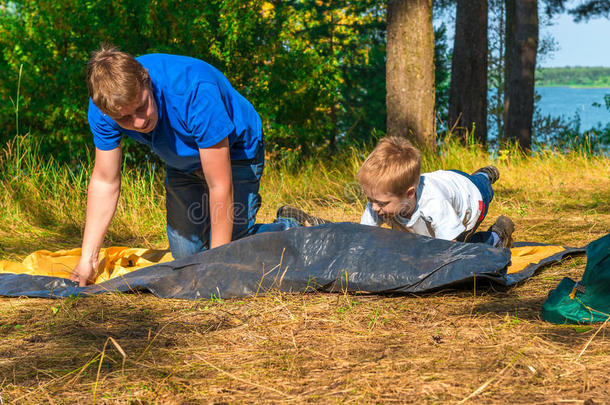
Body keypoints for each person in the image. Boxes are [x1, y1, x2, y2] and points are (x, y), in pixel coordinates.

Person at [71, 45, 296, 286]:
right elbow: (106, 181)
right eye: (124, 118)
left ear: (147, 81)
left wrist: (216, 265)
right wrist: (88, 259)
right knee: (187, 256)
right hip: (181, 161)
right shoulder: (103, 109)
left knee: (231, 244)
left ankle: (291, 227)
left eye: (141, 106)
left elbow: (219, 184)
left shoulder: (194, 90)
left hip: (236, 151)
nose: (138, 122)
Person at [279, 136, 514, 248]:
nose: (374, 208)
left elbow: (449, 250)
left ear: (409, 193)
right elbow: (365, 235)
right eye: (370, 200)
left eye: (380, 203)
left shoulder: (433, 204)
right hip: (441, 178)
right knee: (418, 239)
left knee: (467, 246)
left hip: (471, 195)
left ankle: (497, 231)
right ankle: (325, 227)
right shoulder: (381, 198)